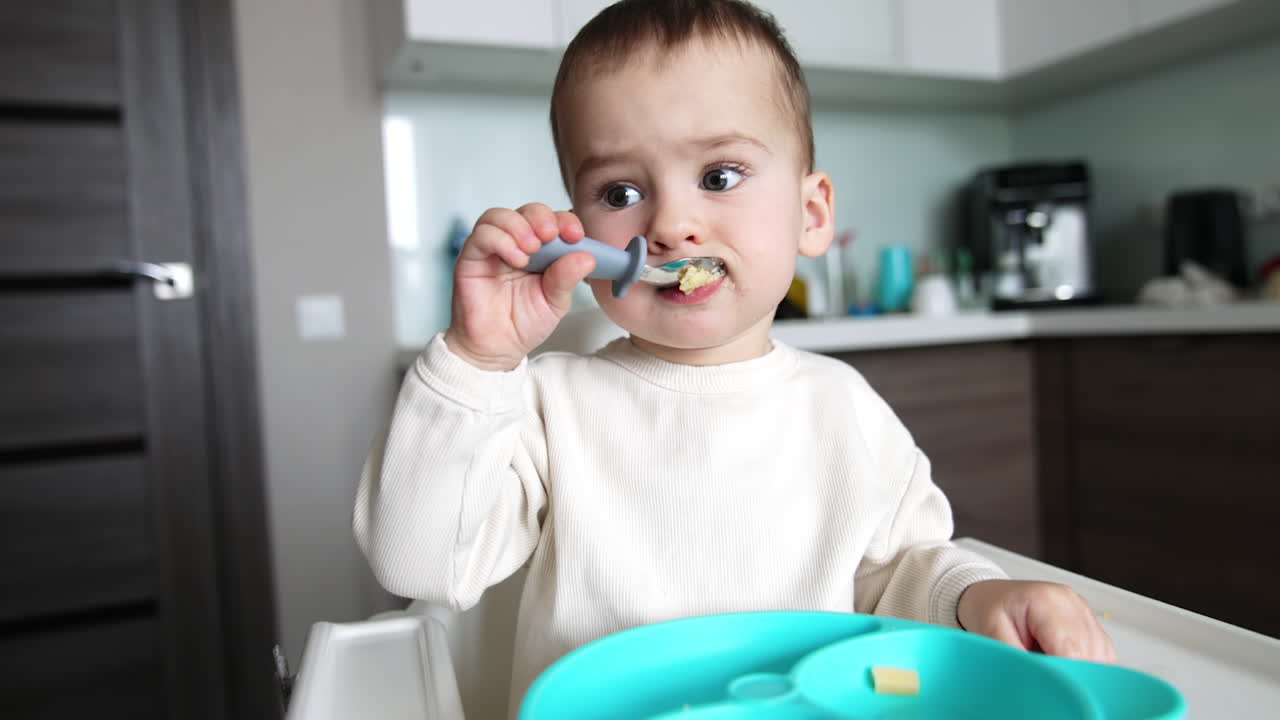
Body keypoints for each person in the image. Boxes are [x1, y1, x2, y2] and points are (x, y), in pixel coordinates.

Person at [355, 0, 1115, 713]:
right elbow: (418, 564)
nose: (672, 224)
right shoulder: (547, 407)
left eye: (719, 176)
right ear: (577, 227)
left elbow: (904, 573)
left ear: (811, 215)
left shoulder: (844, 409)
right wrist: (476, 360)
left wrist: (979, 596)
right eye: (619, 193)